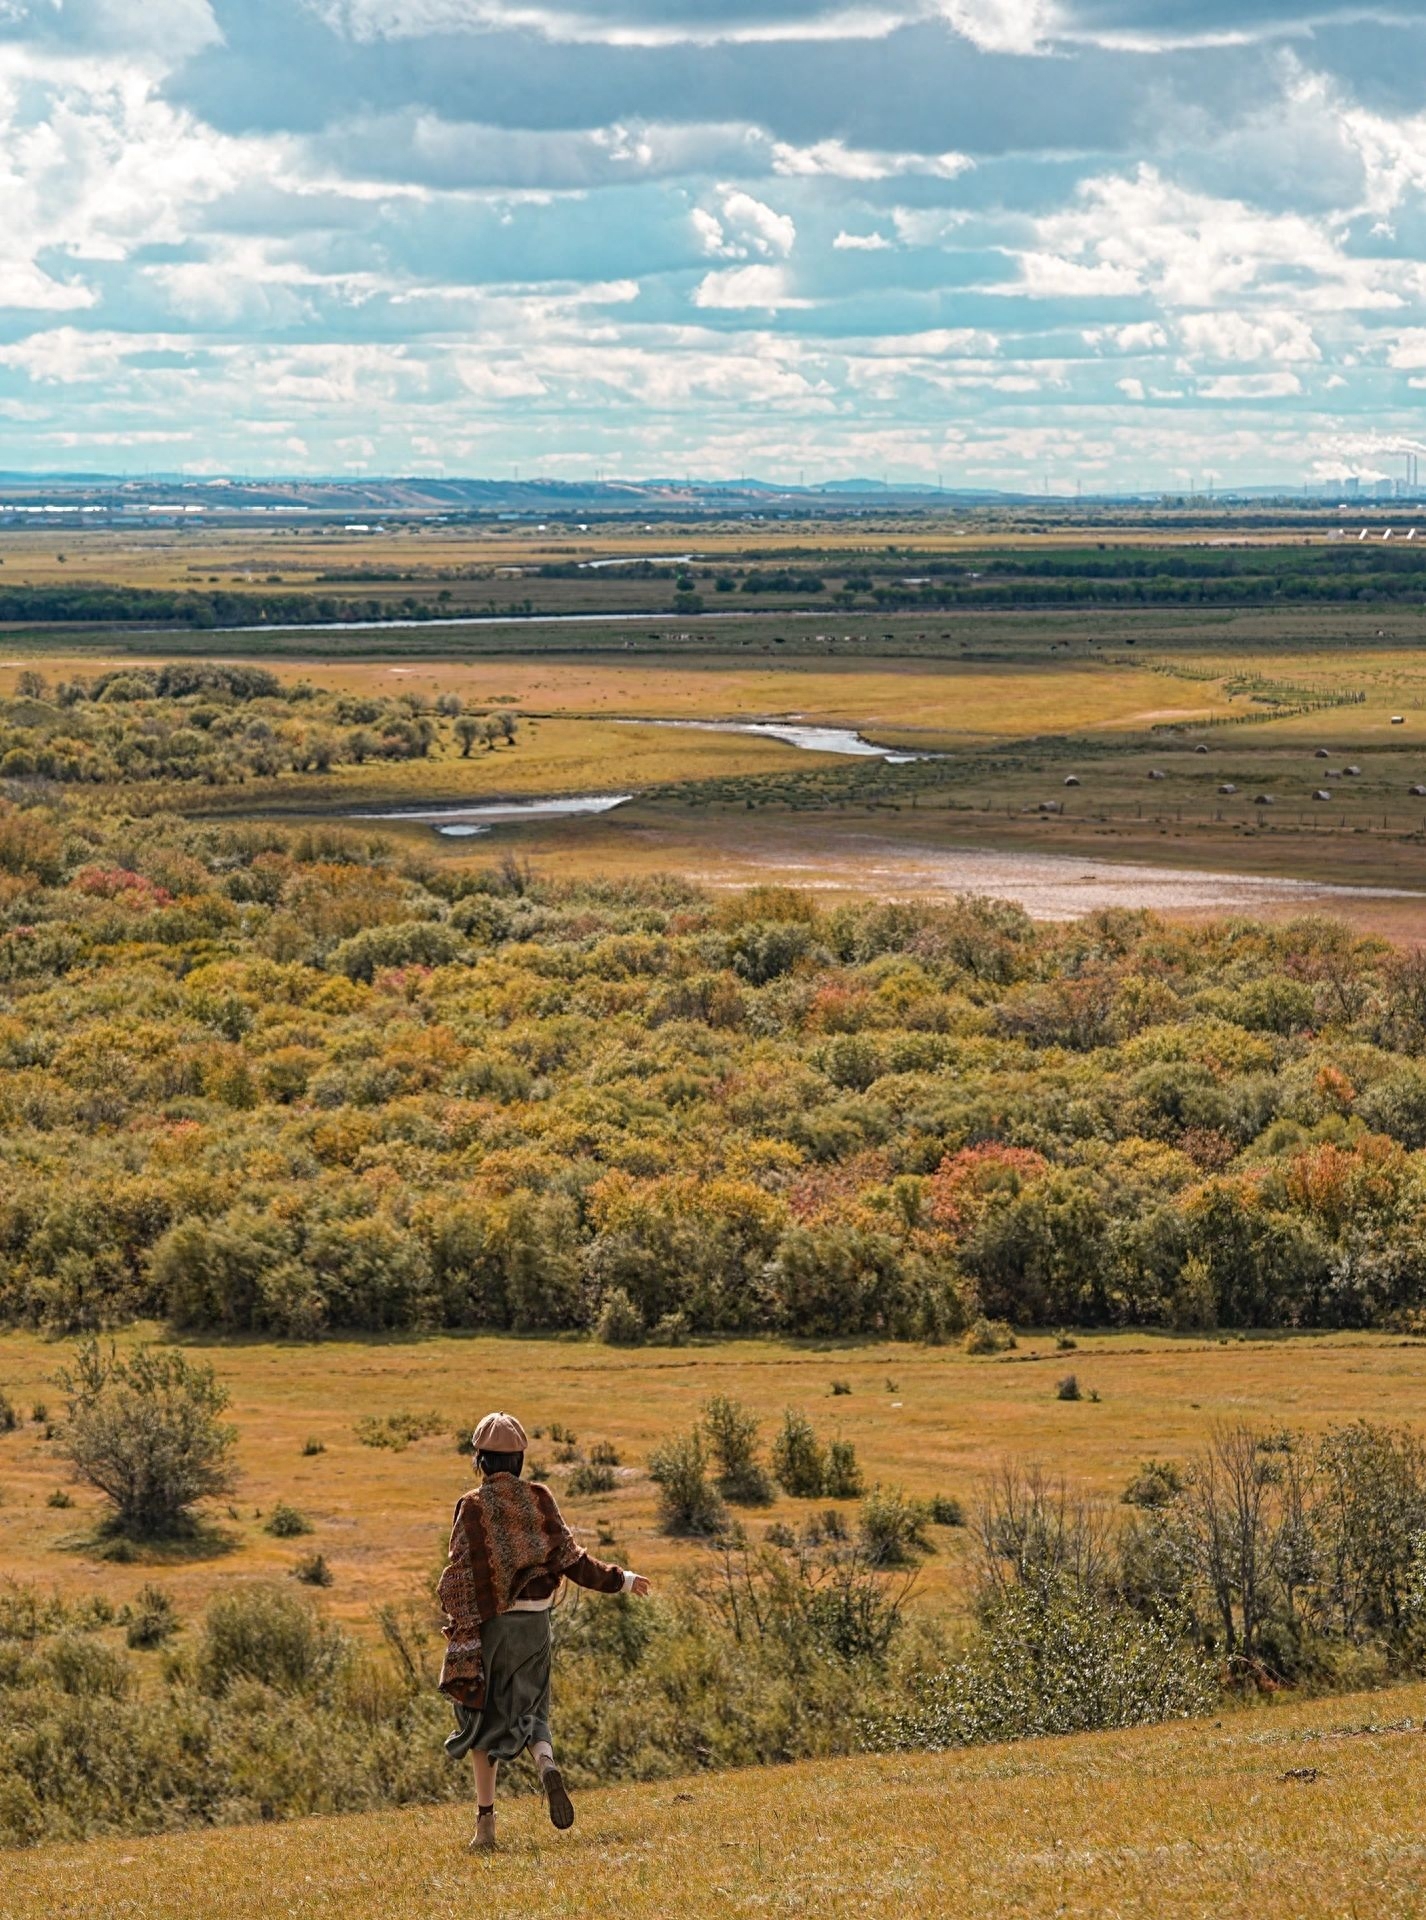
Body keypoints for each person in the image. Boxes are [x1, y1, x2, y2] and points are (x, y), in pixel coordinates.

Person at [437, 1410, 651, 1851]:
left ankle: (485, 1827)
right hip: (535, 1624)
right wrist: (623, 1579)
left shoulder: (472, 1506)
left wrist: (459, 1617)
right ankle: (545, 1763)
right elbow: (573, 1559)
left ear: (480, 1459)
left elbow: (462, 1570)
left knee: (480, 1717)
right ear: (519, 1460)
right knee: (532, 1709)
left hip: (494, 1628)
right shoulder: (539, 1498)